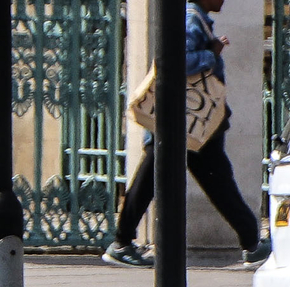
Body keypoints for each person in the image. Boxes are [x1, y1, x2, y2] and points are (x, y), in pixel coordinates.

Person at [102, 0, 268, 269]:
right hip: (187, 121)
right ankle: (252, 244)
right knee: (215, 182)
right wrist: (211, 55)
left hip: (184, 121)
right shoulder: (192, 18)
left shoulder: (194, 17)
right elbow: (175, 59)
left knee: (201, 180)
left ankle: (251, 242)